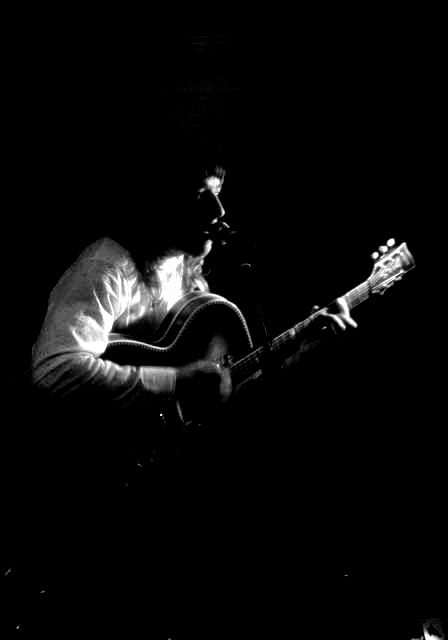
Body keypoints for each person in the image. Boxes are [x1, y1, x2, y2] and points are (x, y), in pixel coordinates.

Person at [19, 160, 358, 636]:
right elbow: (55, 369)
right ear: (158, 204)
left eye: (219, 194)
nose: (218, 210)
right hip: (86, 485)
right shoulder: (107, 266)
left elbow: (219, 397)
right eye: (201, 196)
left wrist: (303, 349)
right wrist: (176, 380)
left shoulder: (183, 270)